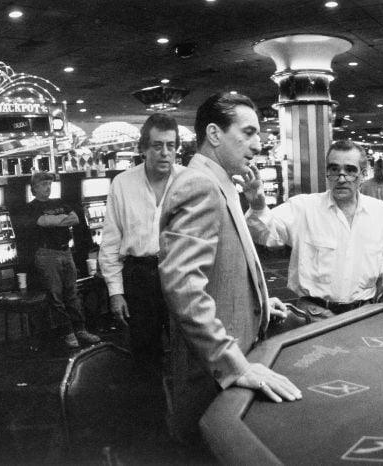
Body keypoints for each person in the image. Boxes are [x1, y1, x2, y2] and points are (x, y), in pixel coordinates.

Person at [157, 92, 301, 444]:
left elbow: (225, 267)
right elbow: (185, 288)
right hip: (213, 373)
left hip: (232, 351)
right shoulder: (200, 185)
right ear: (215, 134)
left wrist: (262, 303)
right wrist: (234, 364)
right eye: (248, 133)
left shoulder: (220, 183)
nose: (258, 144)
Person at [243, 140, 383, 316]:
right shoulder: (303, 207)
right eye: (334, 170)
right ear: (327, 173)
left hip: (365, 312)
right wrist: (258, 205)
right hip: (314, 314)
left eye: (350, 170)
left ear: (363, 174)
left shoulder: (379, 211)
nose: (341, 178)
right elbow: (264, 234)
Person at [99, 113, 184, 372]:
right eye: (157, 146)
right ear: (143, 149)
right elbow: (111, 242)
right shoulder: (122, 184)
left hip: (180, 273)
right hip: (140, 277)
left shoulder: (189, 181)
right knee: (145, 355)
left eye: (171, 146)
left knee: (188, 351)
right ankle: (152, 407)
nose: (165, 153)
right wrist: (116, 292)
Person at [24, 171, 99, 349]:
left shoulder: (58, 202)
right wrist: (62, 220)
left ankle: (80, 329)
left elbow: (76, 218)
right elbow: (43, 221)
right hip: (47, 253)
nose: (48, 187)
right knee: (56, 296)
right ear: (34, 188)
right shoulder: (31, 207)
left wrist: (55, 220)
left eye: (49, 184)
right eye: (43, 184)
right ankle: (68, 332)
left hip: (66, 251)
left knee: (72, 294)